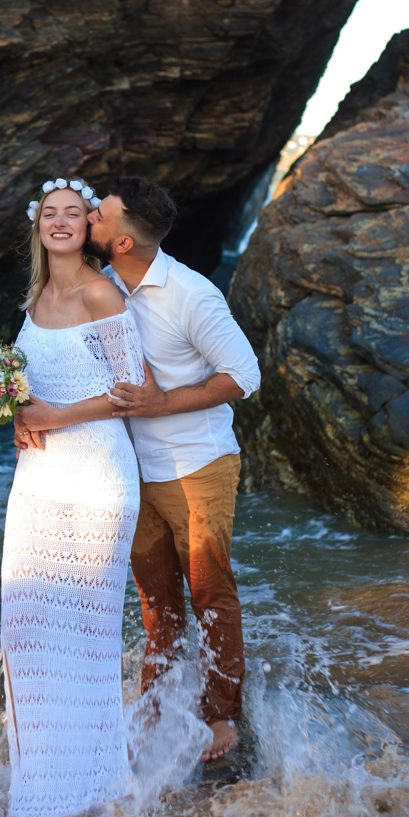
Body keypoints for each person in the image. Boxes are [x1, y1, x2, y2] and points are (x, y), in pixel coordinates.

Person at [85, 176, 261, 763]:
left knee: (210, 590)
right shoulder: (105, 288)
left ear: (123, 242)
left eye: (99, 216)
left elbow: (244, 374)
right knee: (157, 600)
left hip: (197, 464)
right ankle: (155, 704)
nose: (89, 218)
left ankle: (221, 715)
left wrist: (164, 403)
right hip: (131, 467)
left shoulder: (192, 295)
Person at [2, 177, 145, 817]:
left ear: (87, 226)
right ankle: (40, 785)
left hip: (95, 477)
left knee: (85, 640)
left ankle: (95, 789)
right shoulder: (35, 296)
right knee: (25, 631)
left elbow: (131, 387)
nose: (59, 224)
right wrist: (10, 412)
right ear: (38, 227)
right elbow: (27, 384)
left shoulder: (100, 293)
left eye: (71, 215)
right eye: (48, 215)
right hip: (37, 478)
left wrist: (55, 417)